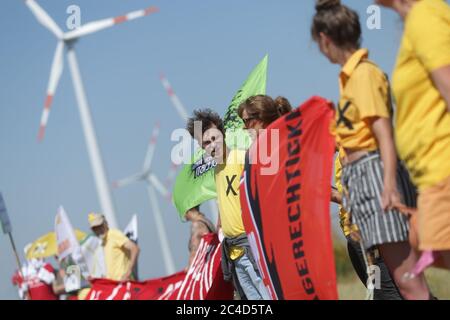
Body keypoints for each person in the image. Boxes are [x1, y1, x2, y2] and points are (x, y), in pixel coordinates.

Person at [311, 0, 430, 299]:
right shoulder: (350, 78)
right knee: (396, 281)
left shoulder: (364, 75)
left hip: (375, 175)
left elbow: (383, 133)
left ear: (325, 40)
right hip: (362, 179)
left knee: (407, 279)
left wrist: (389, 184)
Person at [375, 0, 450, 268]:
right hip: (432, 173)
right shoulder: (420, 19)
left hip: (443, 167)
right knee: (422, 241)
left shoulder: (425, 15)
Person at [186, 108, 270, 300]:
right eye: (205, 143)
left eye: (214, 138)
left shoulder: (242, 158)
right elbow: (226, 204)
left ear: (223, 135)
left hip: (252, 247)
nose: (212, 145)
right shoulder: (216, 170)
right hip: (234, 252)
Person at [88, 213, 140, 281]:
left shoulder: (113, 234)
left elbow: (135, 248)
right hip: (115, 285)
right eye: (95, 228)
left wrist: (128, 272)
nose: (98, 230)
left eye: (100, 226)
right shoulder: (103, 242)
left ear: (105, 223)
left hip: (124, 283)